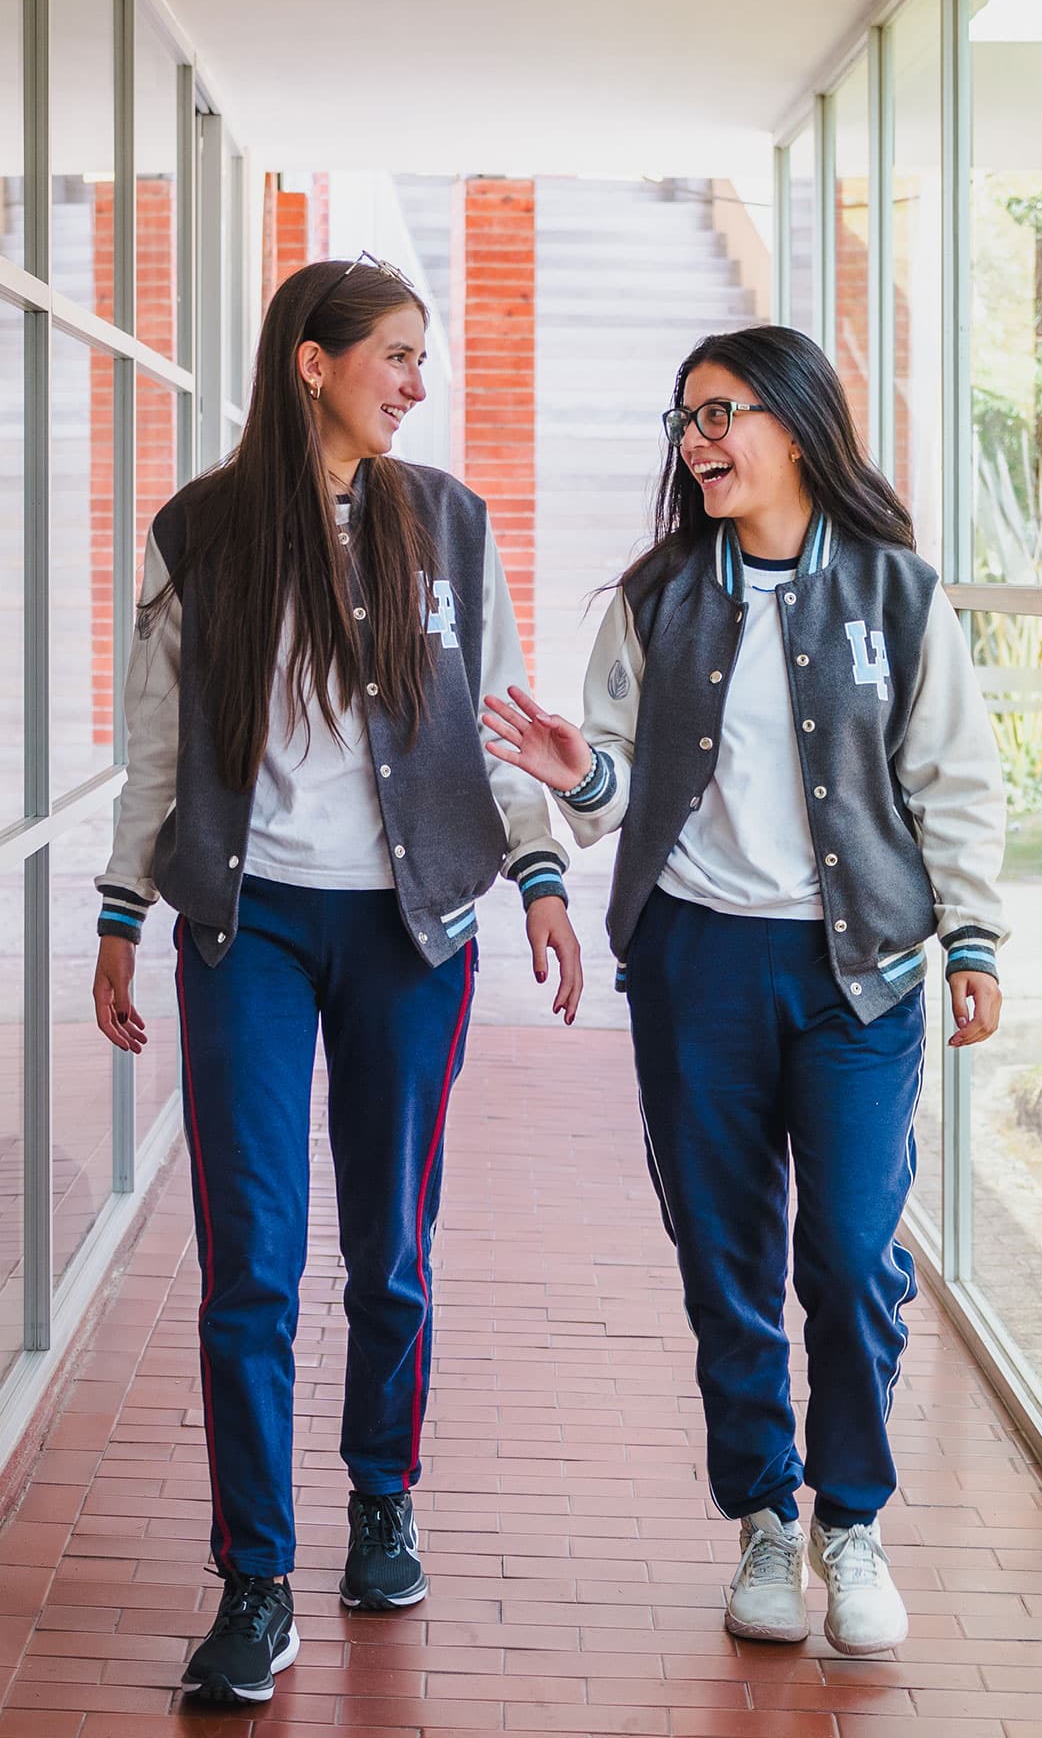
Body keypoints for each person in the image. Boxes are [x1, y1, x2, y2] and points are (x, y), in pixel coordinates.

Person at [91, 253, 582, 1705]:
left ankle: (383, 1497)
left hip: (411, 930)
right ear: (313, 360)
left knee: (391, 1248)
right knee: (250, 1262)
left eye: (427, 359)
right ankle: (256, 1580)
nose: (419, 382)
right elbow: (160, 750)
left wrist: (543, 878)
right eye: (399, 354)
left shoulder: (449, 523)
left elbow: (500, 720)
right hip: (247, 930)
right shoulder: (204, 532)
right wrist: (121, 912)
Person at [483, 324, 1006, 1657]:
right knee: (725, 1260)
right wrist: (570, 769)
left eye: (720, 413)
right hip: (698, 963)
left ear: (795, 421)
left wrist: (972, 939)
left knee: (849, 1254)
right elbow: (608, 788)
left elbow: (953, 778)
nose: (696, 440)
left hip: (860, 978)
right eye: (684, 420)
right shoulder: (654, 597)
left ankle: (853, 1521)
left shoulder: (896, 591)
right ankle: (767, 1521)